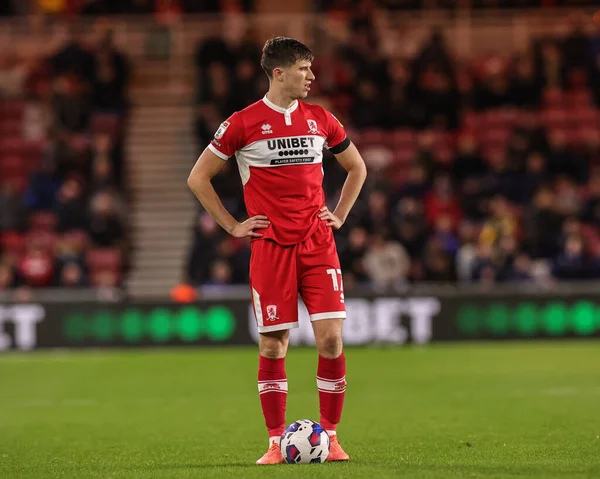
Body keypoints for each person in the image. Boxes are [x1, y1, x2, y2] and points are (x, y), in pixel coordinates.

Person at [187, 37, 367, 464]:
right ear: (279, 73)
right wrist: (232, 225)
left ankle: (332, 436)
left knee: (331, 341)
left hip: (317, 244)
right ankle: (274, 442)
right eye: (305, 69)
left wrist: (339, 214)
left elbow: (356, 167)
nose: (312, 76)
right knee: (272, 347)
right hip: (270, 248)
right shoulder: (242, 124)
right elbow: (198, 178)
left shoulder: (321, 119)